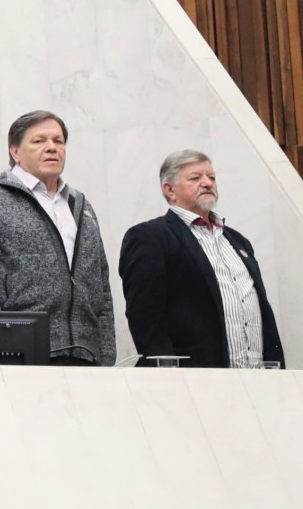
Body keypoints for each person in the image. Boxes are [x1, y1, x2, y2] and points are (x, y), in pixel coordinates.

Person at [0, 109, 116, 365]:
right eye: (39, 141)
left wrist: (105, 356)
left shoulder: (81, 206)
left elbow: (102, 288)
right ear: (15, 152)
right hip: (16, 355)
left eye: (58, 141)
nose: (52, 148)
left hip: (85, 356)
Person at [119, 149, 285, 368]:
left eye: (212, 177)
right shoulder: (150, 237)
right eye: (196, 178)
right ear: (169, 190)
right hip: (197, 383)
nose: (207, 183)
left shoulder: (239, 242)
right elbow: (146, 318)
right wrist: (166, 377)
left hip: (257, 379)